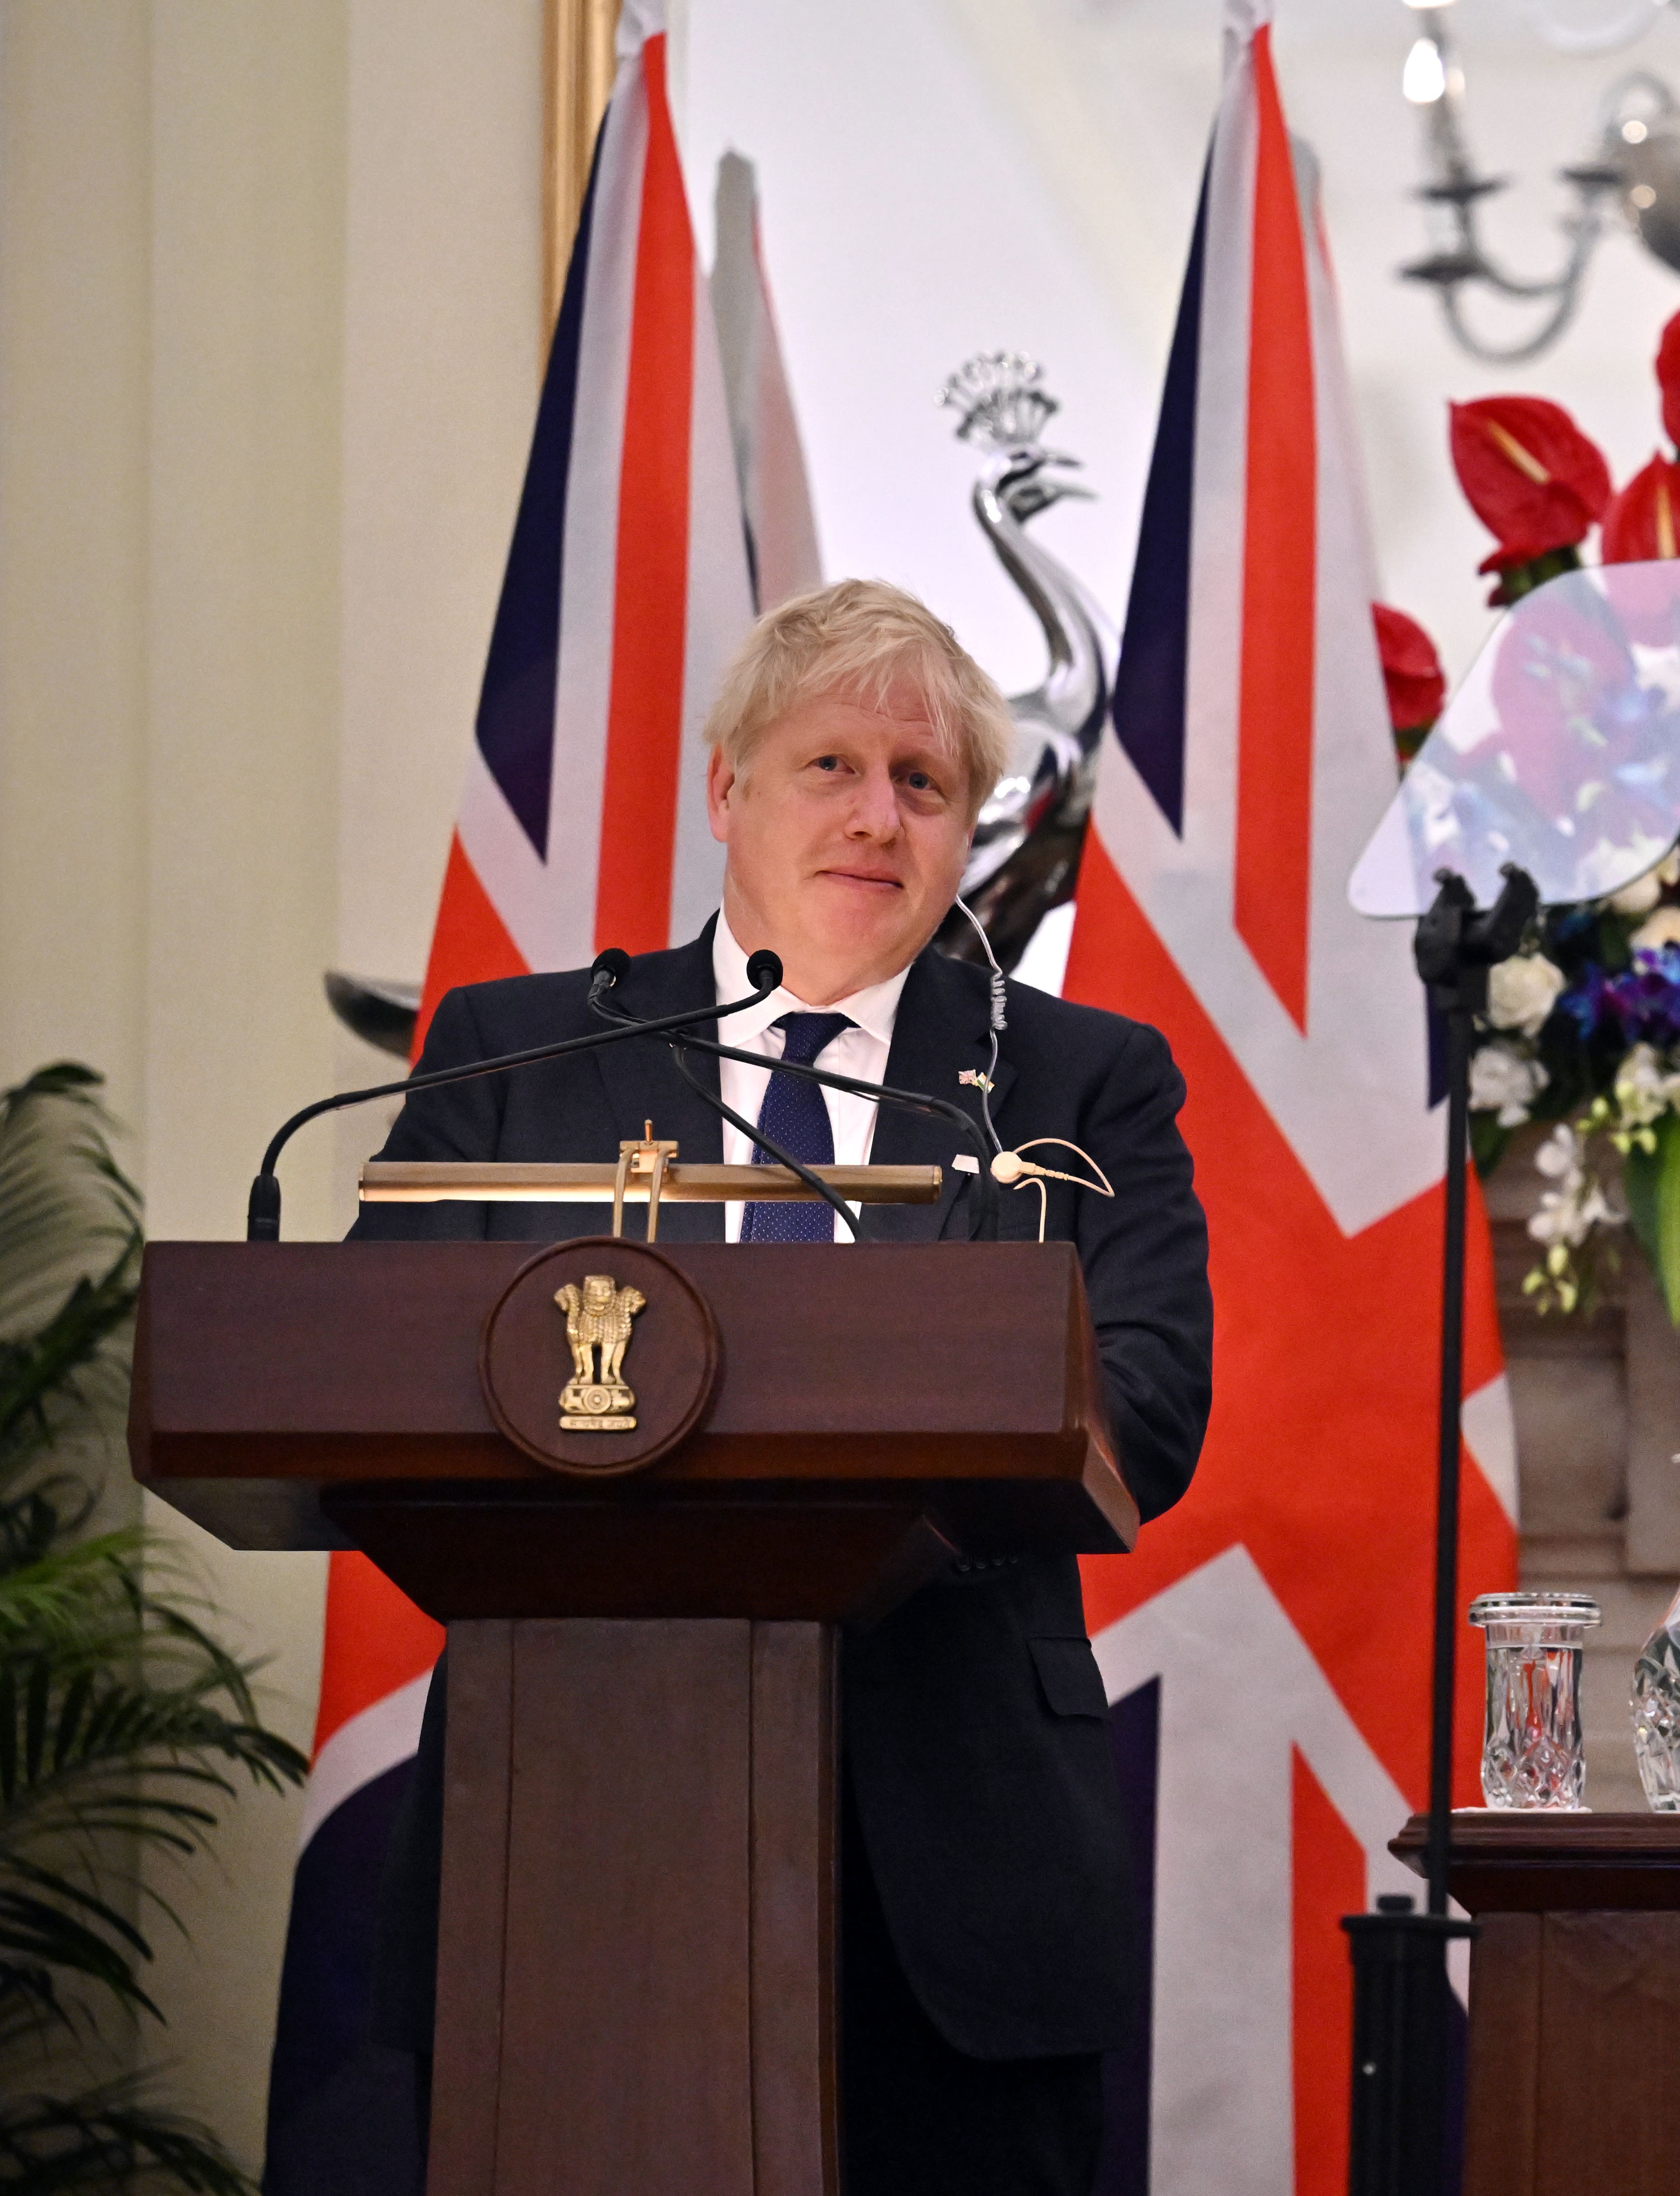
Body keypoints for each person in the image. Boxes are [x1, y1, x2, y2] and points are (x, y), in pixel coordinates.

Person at [354, 579, 1212, 2196]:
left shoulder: (1082, 1079)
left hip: (956, 1863)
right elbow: (365, 1358)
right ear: (726, 789)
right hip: (565, 1831)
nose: (877, 816)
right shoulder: (511, 1055)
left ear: (965, 832)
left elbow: (1151, 1404)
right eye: (831, 765)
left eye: (925, 783)